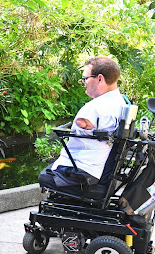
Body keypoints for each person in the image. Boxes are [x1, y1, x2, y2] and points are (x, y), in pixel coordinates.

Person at [39, 57, 127, 189]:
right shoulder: (121, 103)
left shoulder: (94, 109)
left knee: (44, 176)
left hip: (84, 171)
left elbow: (83, 124)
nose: (83, 82)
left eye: (85, 78)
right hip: (101, 169)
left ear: (99, 79)